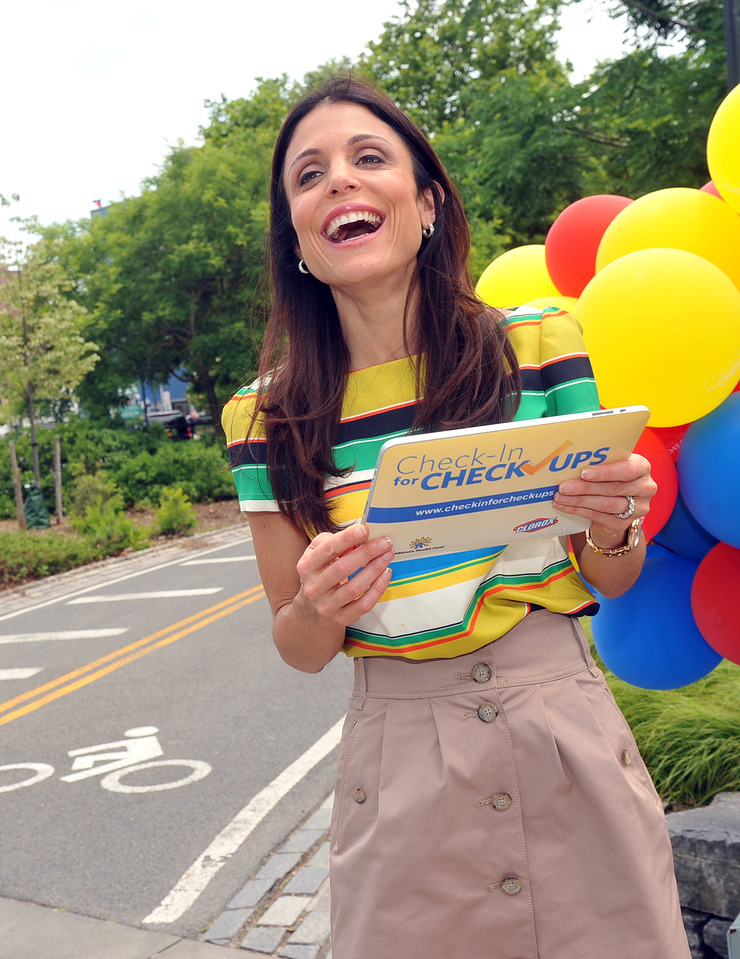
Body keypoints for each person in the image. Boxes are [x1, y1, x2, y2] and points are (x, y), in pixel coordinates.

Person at [222, 75, 690, 959]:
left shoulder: (541, 346)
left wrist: (614, 523)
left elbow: (610, 575)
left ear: (427, 200)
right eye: (309, 175)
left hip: (565, 737)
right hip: (400, 773)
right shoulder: (265, 420)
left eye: (369, 158)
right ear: (296, 239)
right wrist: (321, 604)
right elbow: (298, 645)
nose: (340, 183)